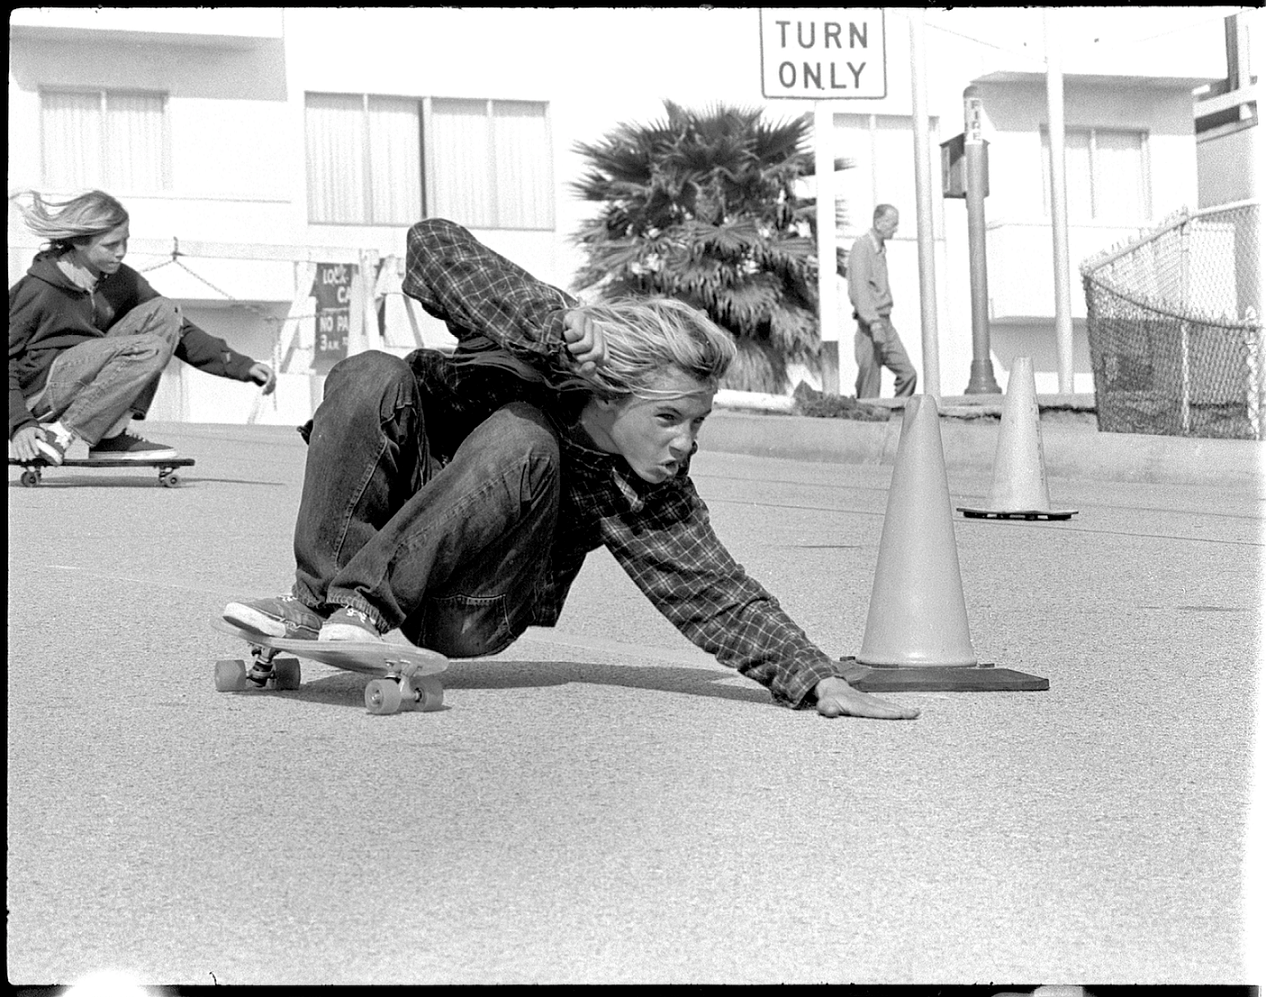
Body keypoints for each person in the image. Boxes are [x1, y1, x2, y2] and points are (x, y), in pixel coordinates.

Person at [224, 218, 918, 721]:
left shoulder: (641, 491)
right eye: (670, 418)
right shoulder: (553, 341)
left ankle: (361, 605)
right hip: (380, 550)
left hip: (471, 607)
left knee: (524, 440)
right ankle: (318, 604)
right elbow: (431, 245)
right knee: (369, 373)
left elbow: (719, 593)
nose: (686, 444)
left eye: (697, 422)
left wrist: (812, 676)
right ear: (610, 393)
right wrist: (549, 320)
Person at [8, 190, 276, 466]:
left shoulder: (119, 280)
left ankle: (111, 435)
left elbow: (178, 329)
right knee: (149, 347)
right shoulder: (38, 290)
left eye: (124, 242)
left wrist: (240, 365)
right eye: (110, 245)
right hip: (40, 395)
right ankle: (59, 435)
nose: (121, 252)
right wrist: (20, 424)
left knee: (165, 310)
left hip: (84, 377)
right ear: (79, 242)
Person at [846, 204, 917, 399]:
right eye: (893, 224)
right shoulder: (862, 247)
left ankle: (899, 415)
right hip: (870, 325)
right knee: (869, 382)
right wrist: (873, 322)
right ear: (878, 223)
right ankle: (865, 422)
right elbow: (859, 289)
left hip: (886, 321)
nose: (896, 229)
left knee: (908, 374)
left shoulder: (880, 248)